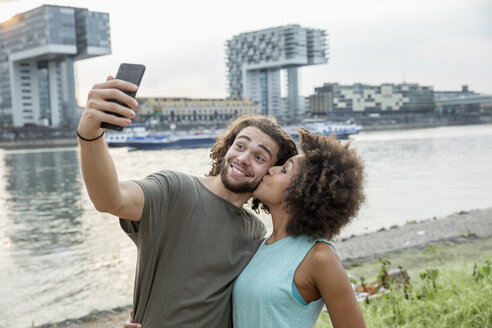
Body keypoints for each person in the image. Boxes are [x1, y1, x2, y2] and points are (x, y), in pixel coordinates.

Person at [77, 76, 297, 328]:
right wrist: (90, 133)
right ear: (226, 148)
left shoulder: (255, 233)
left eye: (259, 157)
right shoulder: (174, 189)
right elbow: (110, 199)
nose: (243, 158)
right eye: (240, 146)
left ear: (271, 172)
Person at [232, 129, 367, 327]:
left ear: (305, 192)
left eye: (284, 170)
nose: (271, 169)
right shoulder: (258, 246)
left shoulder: (320, 256)